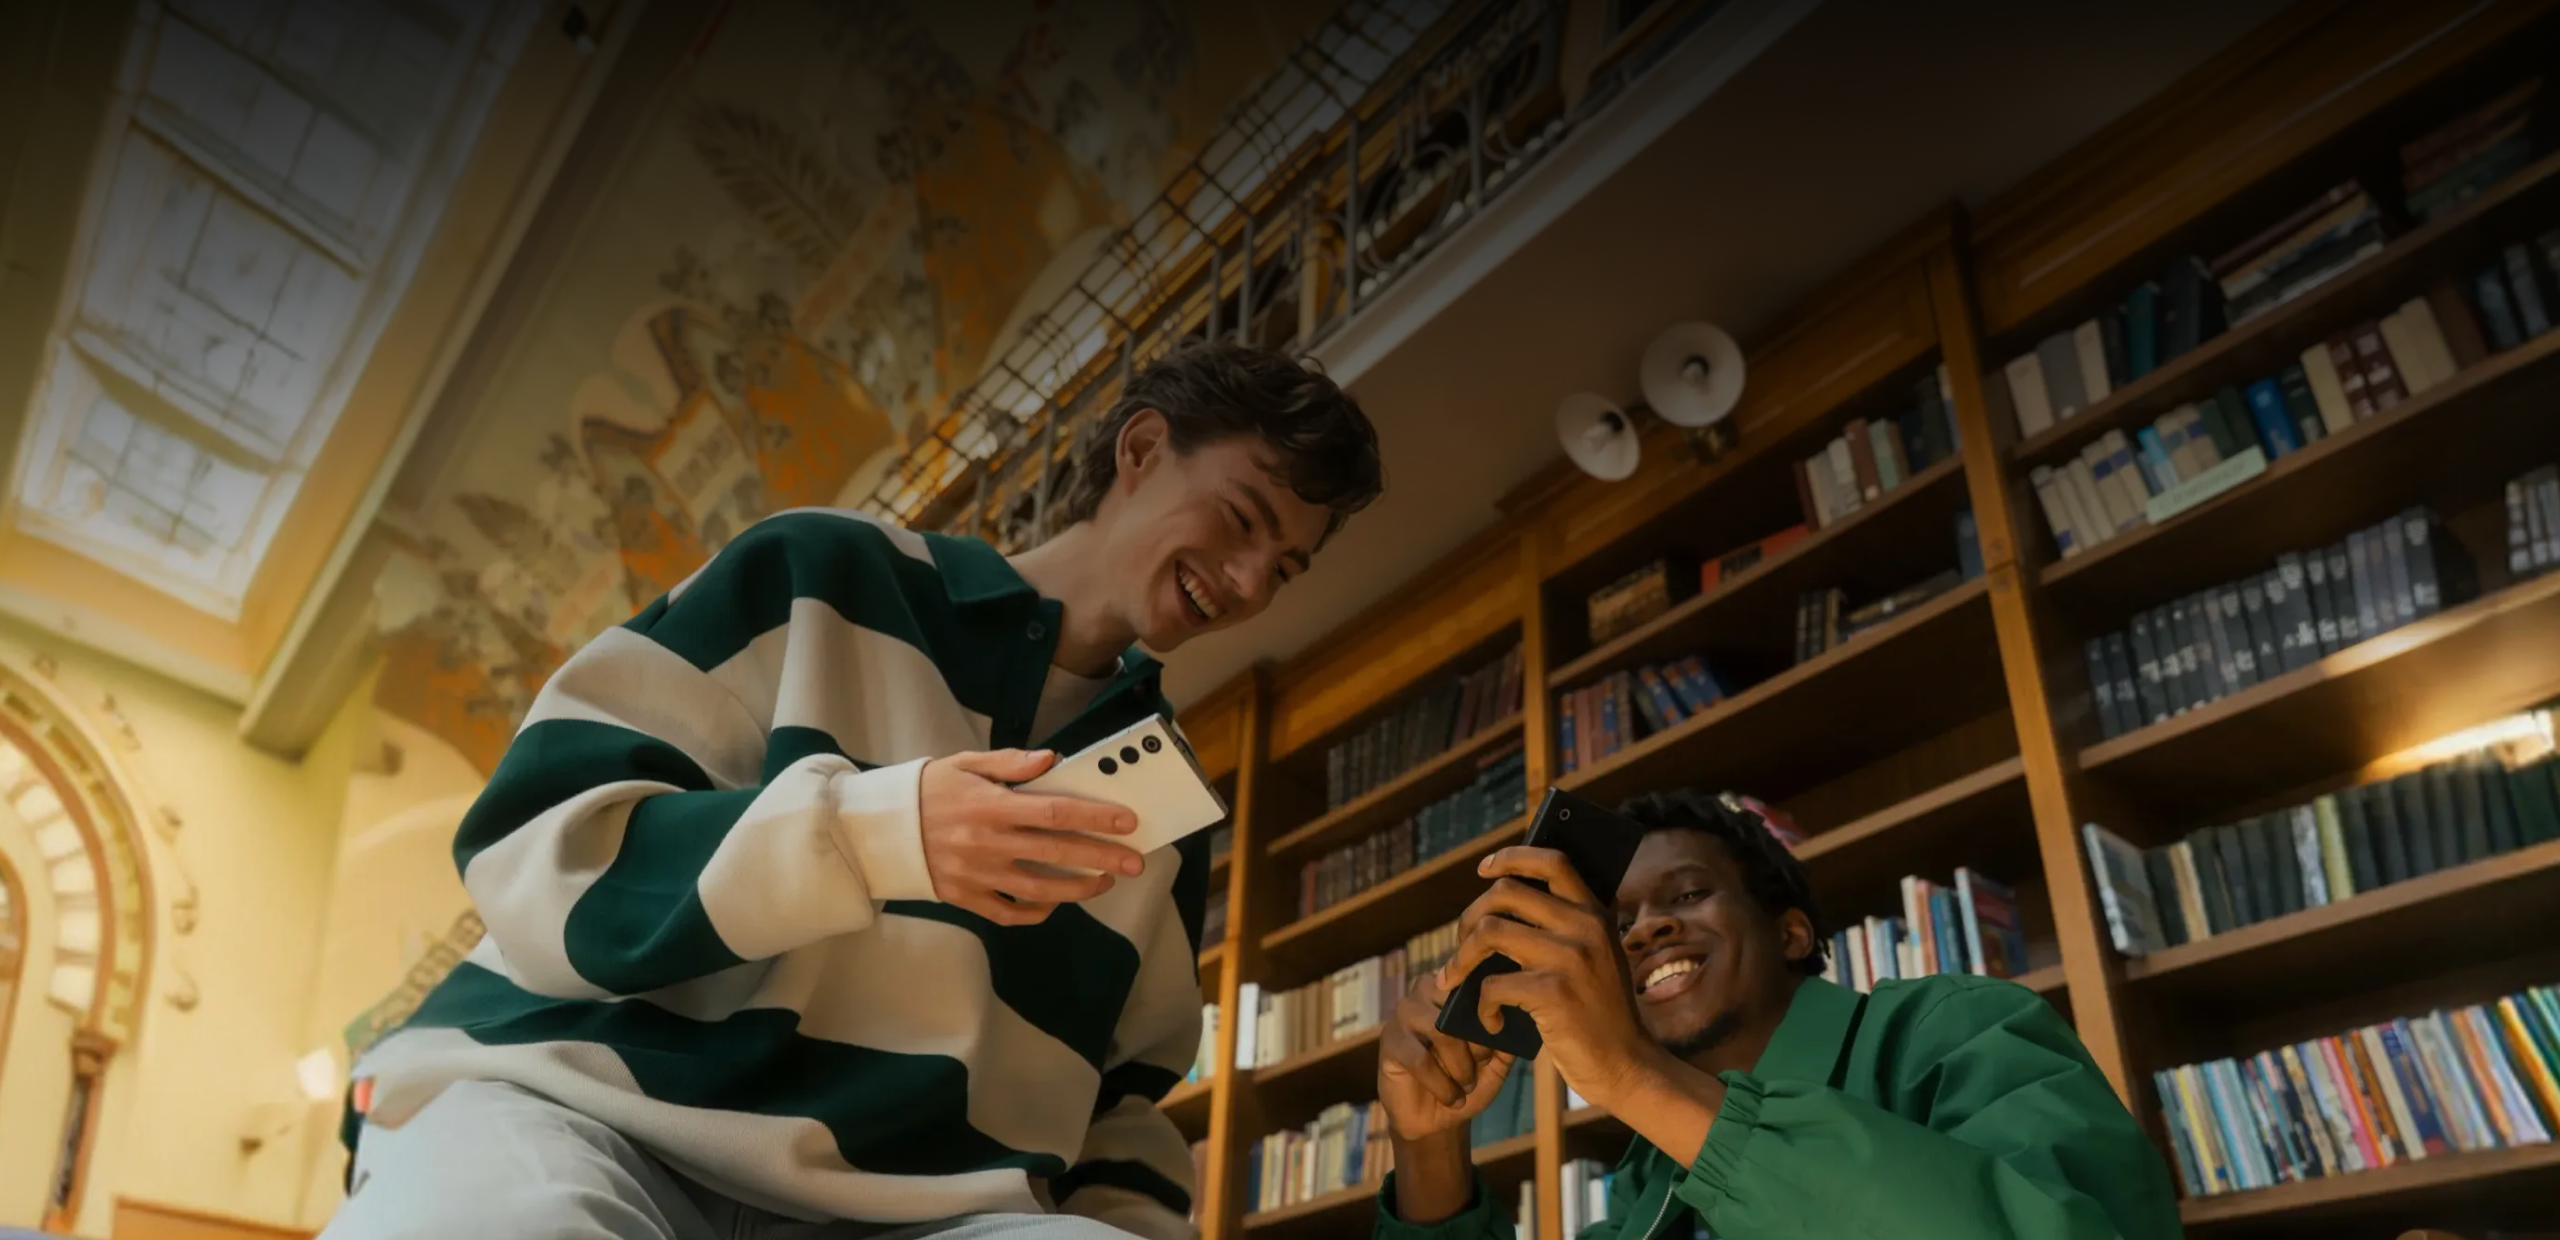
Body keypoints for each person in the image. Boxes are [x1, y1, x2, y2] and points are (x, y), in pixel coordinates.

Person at [326, 342, 1382, 1240]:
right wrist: (870, 833)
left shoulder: (1166, 803)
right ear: (1142, 451)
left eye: (1283, 568)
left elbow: (1120, 1101)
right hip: (584, 1108)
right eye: (1242, 520)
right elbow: (537, 847)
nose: (1247, 583)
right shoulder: (822, 572)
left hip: (904, 1213)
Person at [1373, 789, 2182, 1240]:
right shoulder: (1648, 1183)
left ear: (1791, 932)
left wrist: (1632, 1075)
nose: (1646, 929)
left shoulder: (1950, 1031)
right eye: (1616, 925)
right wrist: (1431, 1144)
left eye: (1687, 894)